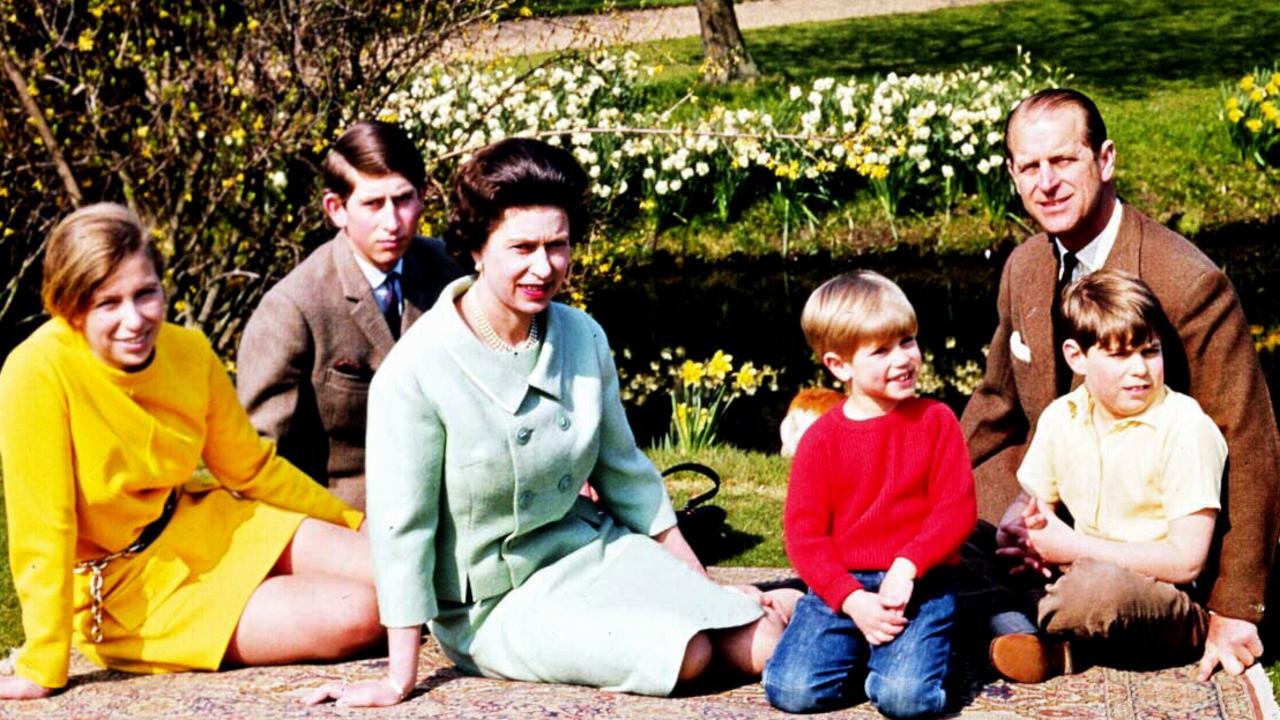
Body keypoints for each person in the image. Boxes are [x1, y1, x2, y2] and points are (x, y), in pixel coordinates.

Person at [303, 138, 800, 708]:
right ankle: (784, 604)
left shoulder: (583, 335)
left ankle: (796, 608)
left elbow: (627, 478)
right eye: (522, 248)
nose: (544, 268)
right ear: (476, 249)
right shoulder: (417, 371)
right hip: (494, 606)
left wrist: (701, 586)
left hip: (593, 552)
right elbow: (402, 533)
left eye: (557, 246)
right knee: (686, 657)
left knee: (760, 641)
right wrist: (398, 678)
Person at [0, 203, 382, 700]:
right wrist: (43, 662)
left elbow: (250, 467)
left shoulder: (189, 351)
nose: (134, 319)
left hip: (202, 525)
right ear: (70, 308)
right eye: (107, 303)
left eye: (145, 294)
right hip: (124, 589)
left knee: (400, 573)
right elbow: (42, 529)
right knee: (366, 613)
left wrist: (347, 521)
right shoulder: (36, 371)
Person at [961, 87, 1280, 680]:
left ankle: (1017, 620)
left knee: (1097, 593)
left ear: (1104, 160)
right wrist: (925, 496)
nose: (1046, 182)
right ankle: (1015, 618)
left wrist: (1238, 606)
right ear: (1012, 174)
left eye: (1064, 161)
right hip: (1059, 500)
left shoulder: (1187, 283)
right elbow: (995, 404)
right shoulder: (1025, 267)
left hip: (1151, 544)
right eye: (1029, 167)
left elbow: (1250, 439)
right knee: (942, 537)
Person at [987, 270, 1227, 682]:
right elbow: (1032, 500)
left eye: (1150, 352)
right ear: (1076, 357)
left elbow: (1187, 561)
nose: (1140, 370)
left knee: (1096, 590)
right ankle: (1036, 637)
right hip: (1071, 574)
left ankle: (1022, 631)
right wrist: (1017, 530)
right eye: (1119, 356)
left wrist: (1072, 547)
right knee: (968, 543)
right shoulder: (1063, 415)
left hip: (1154, 594)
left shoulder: (1184, 426)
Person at [763, 272, 977, 718]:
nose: (903, 359)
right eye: (880, 351)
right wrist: (851, 599)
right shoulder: (821, 439)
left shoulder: (936, 421)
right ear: (840, 365)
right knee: (791, 690)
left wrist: (909, 564)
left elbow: (955, 511)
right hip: (845, 586)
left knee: (905, 700)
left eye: (907, 341)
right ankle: (869, 650)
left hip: (920, 580)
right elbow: (804, 538)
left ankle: (934, 655)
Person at [236, 121, 460, 510]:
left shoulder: (450, 273)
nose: (392, 222)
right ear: (336, 209)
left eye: (403, 199)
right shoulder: (292, 309)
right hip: (347, 522)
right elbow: (259, 463)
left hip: (456, 503)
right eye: (373, 204)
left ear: (423, 197)